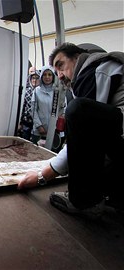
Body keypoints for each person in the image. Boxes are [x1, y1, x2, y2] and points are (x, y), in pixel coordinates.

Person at [18, 42, 124, 216]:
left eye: (61, 65)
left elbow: (85, 135)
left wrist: (41, 176)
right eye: (55, 70)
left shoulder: (94, 71)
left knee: (78, 109)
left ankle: (85, 201)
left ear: (77, 57)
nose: (59, 75)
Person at [31, 66, 58, 145]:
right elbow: (33, 110)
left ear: (53, 76)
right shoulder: (37, 91)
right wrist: (39, 126)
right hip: (39, 131)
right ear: (41, 76)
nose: (47, 77)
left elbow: (63, 110)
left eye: (50, 75)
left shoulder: (58, 91)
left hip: (54, 131)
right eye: (45, 75)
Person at [19, 71, 41, 140]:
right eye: (33, 78)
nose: (34, 80)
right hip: (27, 122)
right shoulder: (26, 91)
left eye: (37, 78)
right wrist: (20, 122)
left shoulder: (42, 92)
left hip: (39, 124)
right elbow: (22, 107)